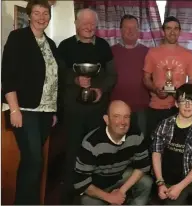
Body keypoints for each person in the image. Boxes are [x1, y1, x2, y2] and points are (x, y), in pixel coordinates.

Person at [1, 0, 60, 204]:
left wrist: (52, 110)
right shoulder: (18, 38)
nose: (42, 17)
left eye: (45, 13)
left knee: (33, 162)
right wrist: (14, 109)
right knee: (34, 160)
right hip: (24, 108)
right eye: (37, 13)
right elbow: (7, 75)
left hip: (45, 110)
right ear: (29, 15)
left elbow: (52, 79)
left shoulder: (50, 44)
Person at [58, 8, 117, 203]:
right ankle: (71, 192)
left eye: (92, 24)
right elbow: (57, 74)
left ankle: (97, 191)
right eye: (84, 23)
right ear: (76, 23)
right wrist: (75, 80)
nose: (88, 27)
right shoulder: (64, 46)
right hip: (72, 110)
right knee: (72, 151)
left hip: (97, 110)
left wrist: (100, 89)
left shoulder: (103, 46)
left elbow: (112, 75)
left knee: (96, 149)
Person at [73, 100, 152, 205]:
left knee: (146, 183)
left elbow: (143, 166)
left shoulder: (136, 135)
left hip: (120, 178)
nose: (122, 122)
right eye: (116, 116)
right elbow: (81, 183)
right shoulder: (91, 143)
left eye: (126, 117)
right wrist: (110, 198)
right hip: (98, 186)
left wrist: (121, 191)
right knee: (88, 202)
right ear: (107, 119)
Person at [143, 16, 192, 147]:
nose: (172, 32)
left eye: (176, 29)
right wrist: (155, 89)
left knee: (177, 146)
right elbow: (145, 78)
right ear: (163, 31)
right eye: (168, 28)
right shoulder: (152, 53)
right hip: (156, 108)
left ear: (180, 31)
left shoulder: (188, 54)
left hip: (179, 108)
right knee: (155, 145)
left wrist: (180, 93)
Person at [151, 84, 192, 204]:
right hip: (162, 179)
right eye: (183, 101)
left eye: (191, 101)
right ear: (177, 104)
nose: (187, 105)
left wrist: (179, 187)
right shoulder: (165, 124)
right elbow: (156, 152)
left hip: (185, 181)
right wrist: (160, 182)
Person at [111, 14, 149, 136]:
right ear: (120, 30)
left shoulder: (148, 52)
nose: (131, 31)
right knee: (117, 142)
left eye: (134, 28)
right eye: (127, 28)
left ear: (139, 30)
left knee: (140, 142)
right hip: (117, 109)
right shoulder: (110, 52)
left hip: (141, 108)